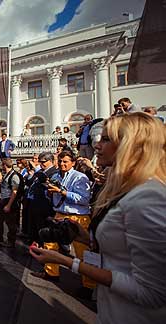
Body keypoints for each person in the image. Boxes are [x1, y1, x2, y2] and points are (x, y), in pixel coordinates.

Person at [30, 113, 166, 323]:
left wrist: (67, 261)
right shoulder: (126, 190)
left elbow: (153, 293)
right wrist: (84, 236)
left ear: (131, 145)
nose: (96, 145)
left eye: (106, 139)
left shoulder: (148, 197)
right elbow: (122, 251)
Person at [31, 150, 94, 296]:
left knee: (82, 252)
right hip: (59, 214)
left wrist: (63, 192)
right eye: (60, 161)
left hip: (77, 217)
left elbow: (84, 199)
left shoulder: (80, 177)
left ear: (72, 162)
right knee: (50, 245)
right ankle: (51, 272)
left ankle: (89, 285)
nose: (62, 164)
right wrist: (50, 192)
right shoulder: (55, 176)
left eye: (65, 161)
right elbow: (53, 195)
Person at [23, 152, 58, 244]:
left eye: (43, 162)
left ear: (50, 161)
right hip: (32, 202)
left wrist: (45, 182)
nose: (41, 164)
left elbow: (53, 187)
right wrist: (31, 175)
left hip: (44, 204)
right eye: (40, 162)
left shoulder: (54, 172)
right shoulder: (39, 172)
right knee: (33, 227)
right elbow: (29, 181)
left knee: (41, 228)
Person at [0, 158, 23, 248]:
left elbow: (14, 192)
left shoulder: (14, 176)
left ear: (4, 165)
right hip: (3, 199)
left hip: (9, 201)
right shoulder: (6, 175)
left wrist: (9, 205)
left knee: (10, 222)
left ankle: (11, 241)